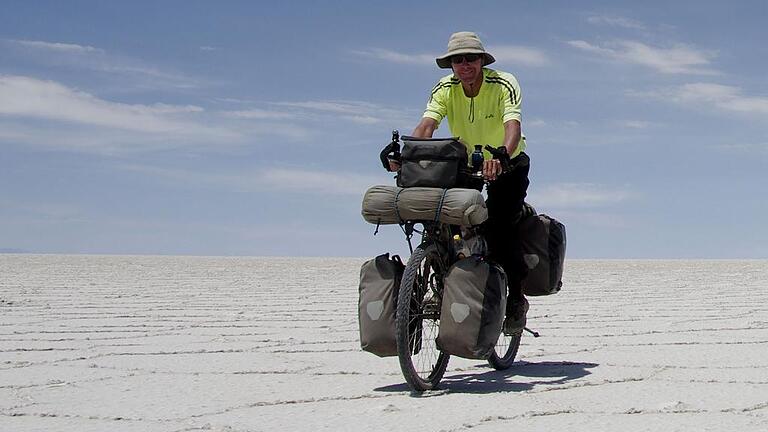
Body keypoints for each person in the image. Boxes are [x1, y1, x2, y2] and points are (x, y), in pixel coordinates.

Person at [409, 31, 531, 334]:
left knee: (501, 228)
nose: (465, 65)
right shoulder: (445, 88)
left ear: (482, 60)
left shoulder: (503, 82)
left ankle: (516, 299)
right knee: (444, 219)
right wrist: (408, 153)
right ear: (450, 64)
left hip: (507, 162)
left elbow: (512, 124)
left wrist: (502, 155)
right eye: (457, 60)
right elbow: (427, 125)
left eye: (471, 58)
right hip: (465, 164)